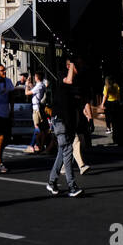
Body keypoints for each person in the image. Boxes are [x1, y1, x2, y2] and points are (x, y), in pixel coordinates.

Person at [45, 57, 84, 197]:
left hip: (68, 122)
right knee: (67, 150)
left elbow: (78, 103)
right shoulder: (62, 75)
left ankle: (51, 182)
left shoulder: (77, 84)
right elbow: (69, 80)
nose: (78, 69)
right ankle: (71, 185)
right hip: (60, 120)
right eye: (75, 66)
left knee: (63, 151)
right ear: (69, 66)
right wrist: (72, 63)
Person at [25, 70, 47, 152]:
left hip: (36, 109)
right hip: (38, 108)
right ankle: (38, 145)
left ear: (37, 77)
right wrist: (29, 83)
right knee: (41, 129)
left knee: (37, 127)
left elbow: (27, 93)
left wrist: (27, 86)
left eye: (35, 76)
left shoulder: (39, 86)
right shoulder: (40, 85)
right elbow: (34, 87)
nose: (34, 77)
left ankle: (32, 145)